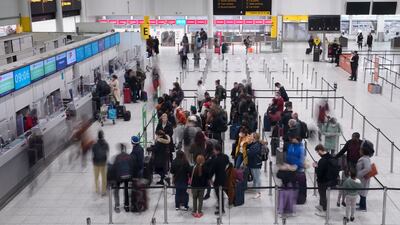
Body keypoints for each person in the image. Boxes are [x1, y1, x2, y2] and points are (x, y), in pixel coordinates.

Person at [314, 144, 340, 217]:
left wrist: (315, 167)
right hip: (330, 179)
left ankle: (324, 210)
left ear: (320, 150)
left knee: (322, 195)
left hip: (322, 181)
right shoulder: (331, 157)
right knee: (323, 194)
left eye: (317, 152)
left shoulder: (322, 161)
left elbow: (319, 173)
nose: (317, 154)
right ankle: (321, 206)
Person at [113, 143, 135, 213]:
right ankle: (126, 206)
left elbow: (114, 168)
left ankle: (117, 206)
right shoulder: (129, 156)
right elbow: (132, 166)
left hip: (120, 177)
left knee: (116, 190)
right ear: (125, 149)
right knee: (126, 190)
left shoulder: (117, 157)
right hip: (128, 176)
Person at [209, 143, 229, 215]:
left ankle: (222, 209)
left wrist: (210, 178)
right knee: (221, 194)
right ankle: (221, 206)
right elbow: (228, 163)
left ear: (217, 150)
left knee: (219, 195)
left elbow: (212, 170)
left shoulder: (216, 160)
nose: (213, 151)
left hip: (218, 180)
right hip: (224, 177)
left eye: (214, 150)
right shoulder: (225, 157)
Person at [356, 140, 374, 212]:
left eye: (361, 149)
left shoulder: (365, 159)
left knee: (363, 193)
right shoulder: (364, 158)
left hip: (363, 179)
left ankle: (363, 207)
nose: (359, 151)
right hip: (362, 179)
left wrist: (359, 174)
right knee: (361, 192)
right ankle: (361, 204)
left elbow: (367, 168)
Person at [92, 130, 109, 196]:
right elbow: (107, 152)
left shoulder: (94, 144)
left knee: (96, 177)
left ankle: (97, 189)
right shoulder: (106, 144)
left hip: (96, 163)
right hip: (103, 163)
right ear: (103, 136)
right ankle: (103, 191)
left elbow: (93, 153)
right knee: (104, 177)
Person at [247, 133, 263, 199]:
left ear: (254, 138)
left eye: (251, 136)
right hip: (253, 163)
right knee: (255, 176)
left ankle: (258, 192)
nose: (250, 137)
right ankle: (255, 187)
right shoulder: (253, 144)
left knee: (257, 177)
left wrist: (248, 151)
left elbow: (251, 153)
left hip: (256, 163)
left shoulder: (257, 145)